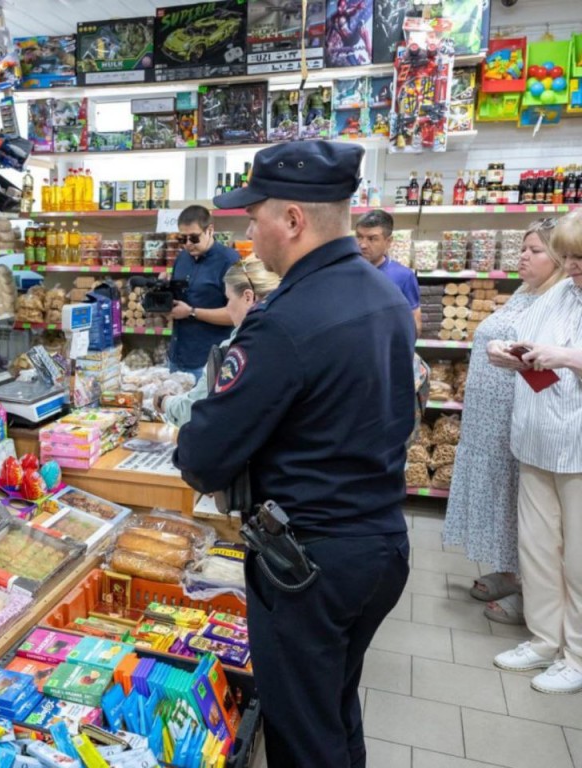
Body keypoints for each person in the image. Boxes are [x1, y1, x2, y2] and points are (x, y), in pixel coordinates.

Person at [174, 140, 415, 767]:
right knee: (334, 706)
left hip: (308, 562)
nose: (248, 229)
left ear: (293, 220)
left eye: (254, 214)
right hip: (381, 543)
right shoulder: (385, 296)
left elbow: (203, 456)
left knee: (301, 734)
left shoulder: (284, 319)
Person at [443, 220, 564, 625]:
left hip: (524, 416)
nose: (523, 256)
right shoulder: (525, 293)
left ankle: (534, 592)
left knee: (527, 508)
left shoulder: (560, 300)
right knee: (504, 500)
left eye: (535, 250)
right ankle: (511, 571)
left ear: (561, 258)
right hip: (488, 419)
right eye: (523, 248)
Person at [488, 211, 582, 694]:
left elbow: (566, 355)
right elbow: (528, 337)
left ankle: (578, 654)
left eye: (580, 257)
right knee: (540, 550)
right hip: (537, 438)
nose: (572, 266)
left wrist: (566, 358)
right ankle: (546, 640)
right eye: (567, 256)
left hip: (578, 449)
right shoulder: (561, 292)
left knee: (578, 558)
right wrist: (509, 352)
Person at [158, 259, 280, 427]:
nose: (228, 308)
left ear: (248, 297)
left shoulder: (237, 349)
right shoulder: (285, 335)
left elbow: (198, 412)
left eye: (228, 299)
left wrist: (165, 401)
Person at [166, 205, 239, 381]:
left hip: (209, 364)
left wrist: (192, 312)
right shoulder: (182, 258)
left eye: (193, 238)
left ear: (210, 231)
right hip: (177, 358)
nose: (188, 244)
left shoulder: (229, 261)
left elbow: (236, 314)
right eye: (182, 238)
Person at [356, 209, 421, 335]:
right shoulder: (346, 272)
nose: (363, 245)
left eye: (372, 239)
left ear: (388, 241)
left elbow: (414, 322)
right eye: (359, 237)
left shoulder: (403, 277)